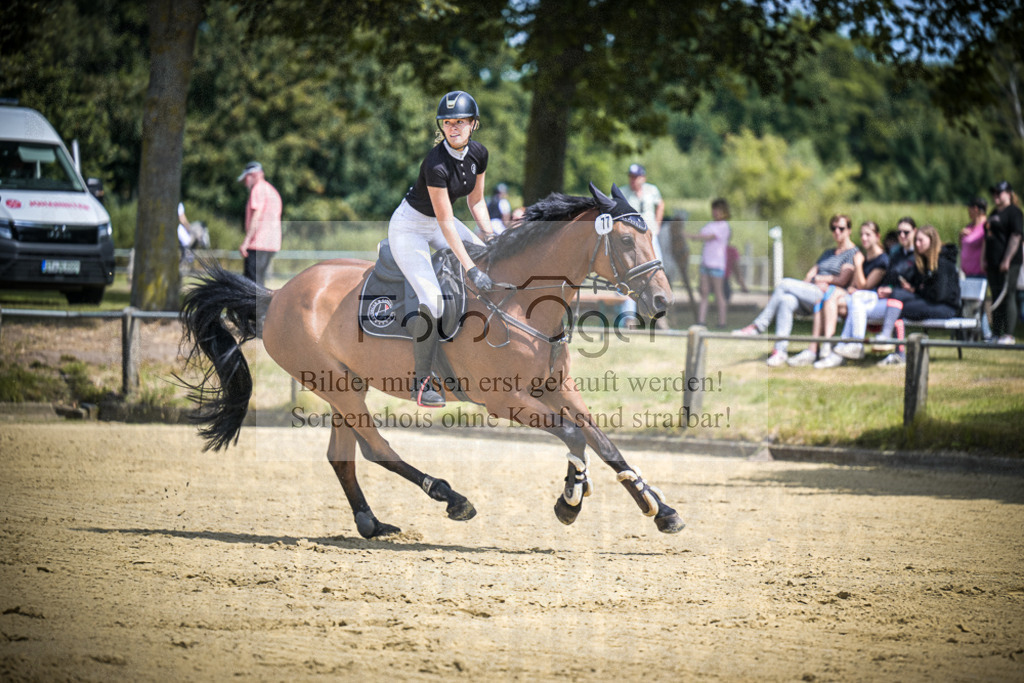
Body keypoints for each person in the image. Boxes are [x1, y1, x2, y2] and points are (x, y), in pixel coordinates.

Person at [388, 90, 495, 407]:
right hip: (410, 229)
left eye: (460, 122)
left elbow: (477, 201)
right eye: (447, 122)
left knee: (492, 261)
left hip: (438, 223)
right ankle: (421, 383)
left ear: (473, 124)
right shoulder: (435, 164)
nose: (453, 127)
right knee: (433, 301)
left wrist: (491, 238)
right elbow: (447, 222)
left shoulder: (479, 154)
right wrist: (471, 268)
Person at [733, 214, 858, 366]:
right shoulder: (828, 253)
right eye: (833, 228)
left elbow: (842, 280)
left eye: (841, 228)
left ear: (849, 230)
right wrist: (814, 281)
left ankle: (759, 326)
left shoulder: (852, 253)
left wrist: (821, 279)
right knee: (786, 300)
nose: (837, 231)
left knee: (784, 283)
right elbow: (809, 276)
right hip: (813, 292)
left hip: (829, 296)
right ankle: (780, 351)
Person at [832, 218, 918, 365]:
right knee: (853, 302)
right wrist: (888, 288)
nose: (902, 235)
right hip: (884, 300)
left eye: (906, 232)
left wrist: (858, 265)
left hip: (899, 302)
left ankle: (854, 344)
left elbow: (864, 285)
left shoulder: (903, 258)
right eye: (899, 232)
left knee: (856, 299)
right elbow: (890, 280)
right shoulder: (896, 255)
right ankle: (843, 347)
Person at [812, 220, 889, 368]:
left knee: (852, 299)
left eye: (868, 235)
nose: (864, 238)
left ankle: (851, 344)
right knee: (830, 296)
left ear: (877, 236)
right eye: (862, 235)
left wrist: (858, 265)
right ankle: (830, 347)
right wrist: (854, 286)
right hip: (858, 300)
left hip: (873, 302)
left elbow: (865, 286)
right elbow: (854, 285)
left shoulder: (882, 260)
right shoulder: (864, 257)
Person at [619, 163, 667, 329]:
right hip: (632, 242)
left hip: (650, 239)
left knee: (657, 273)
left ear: (643, 177)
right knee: (629, 276)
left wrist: (657, 224)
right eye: (631, 177)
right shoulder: (622, 192)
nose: (633, 180)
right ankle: (628, 318)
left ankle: (659, 315)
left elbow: (661, 204)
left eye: (636, 177)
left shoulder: (651, 190)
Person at [985, 180, 1023, 344]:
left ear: (1008, 194)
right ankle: (996, 332)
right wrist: (985, 259)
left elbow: (1016, 236)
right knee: (996, 297)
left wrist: (1007, 259)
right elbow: (987, 237)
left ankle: (1008, 334)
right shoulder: (994, 212)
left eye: (999, 193)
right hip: (993, 263)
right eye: (994, 193)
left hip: (1009, 263)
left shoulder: (1014, 212)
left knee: (1008, 295)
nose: (995, 196)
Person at [686, 198, 731, 328]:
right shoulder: (710, 225)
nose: (715, 212)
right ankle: (701, 321)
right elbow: (702, 234)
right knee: (704, 293)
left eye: (718, 210)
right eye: (714, 209)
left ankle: (722, 321)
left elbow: (706, 236)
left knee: (718, 293)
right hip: (706, 263)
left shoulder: (724, 226)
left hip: (717, 264)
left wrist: (688, 235)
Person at [238, 161, 282, 286]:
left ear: (252, 175)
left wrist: (246, 241)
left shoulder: (257, 189)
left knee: (250, 285)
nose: (245, 182)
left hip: (258, 244)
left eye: (246, 178)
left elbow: (256, 217)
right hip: (272, 244)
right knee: (259, 283)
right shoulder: (272, 190)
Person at [959, 196, 992, 341]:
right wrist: (961, 236)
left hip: (980, 273)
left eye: (970, 208)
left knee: (977, 306)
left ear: (976, 209)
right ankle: (979, 334)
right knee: (971, 306)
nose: (968, 211)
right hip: (968, 273)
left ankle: (985, 334)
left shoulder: (985, 227)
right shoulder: (969, 227)